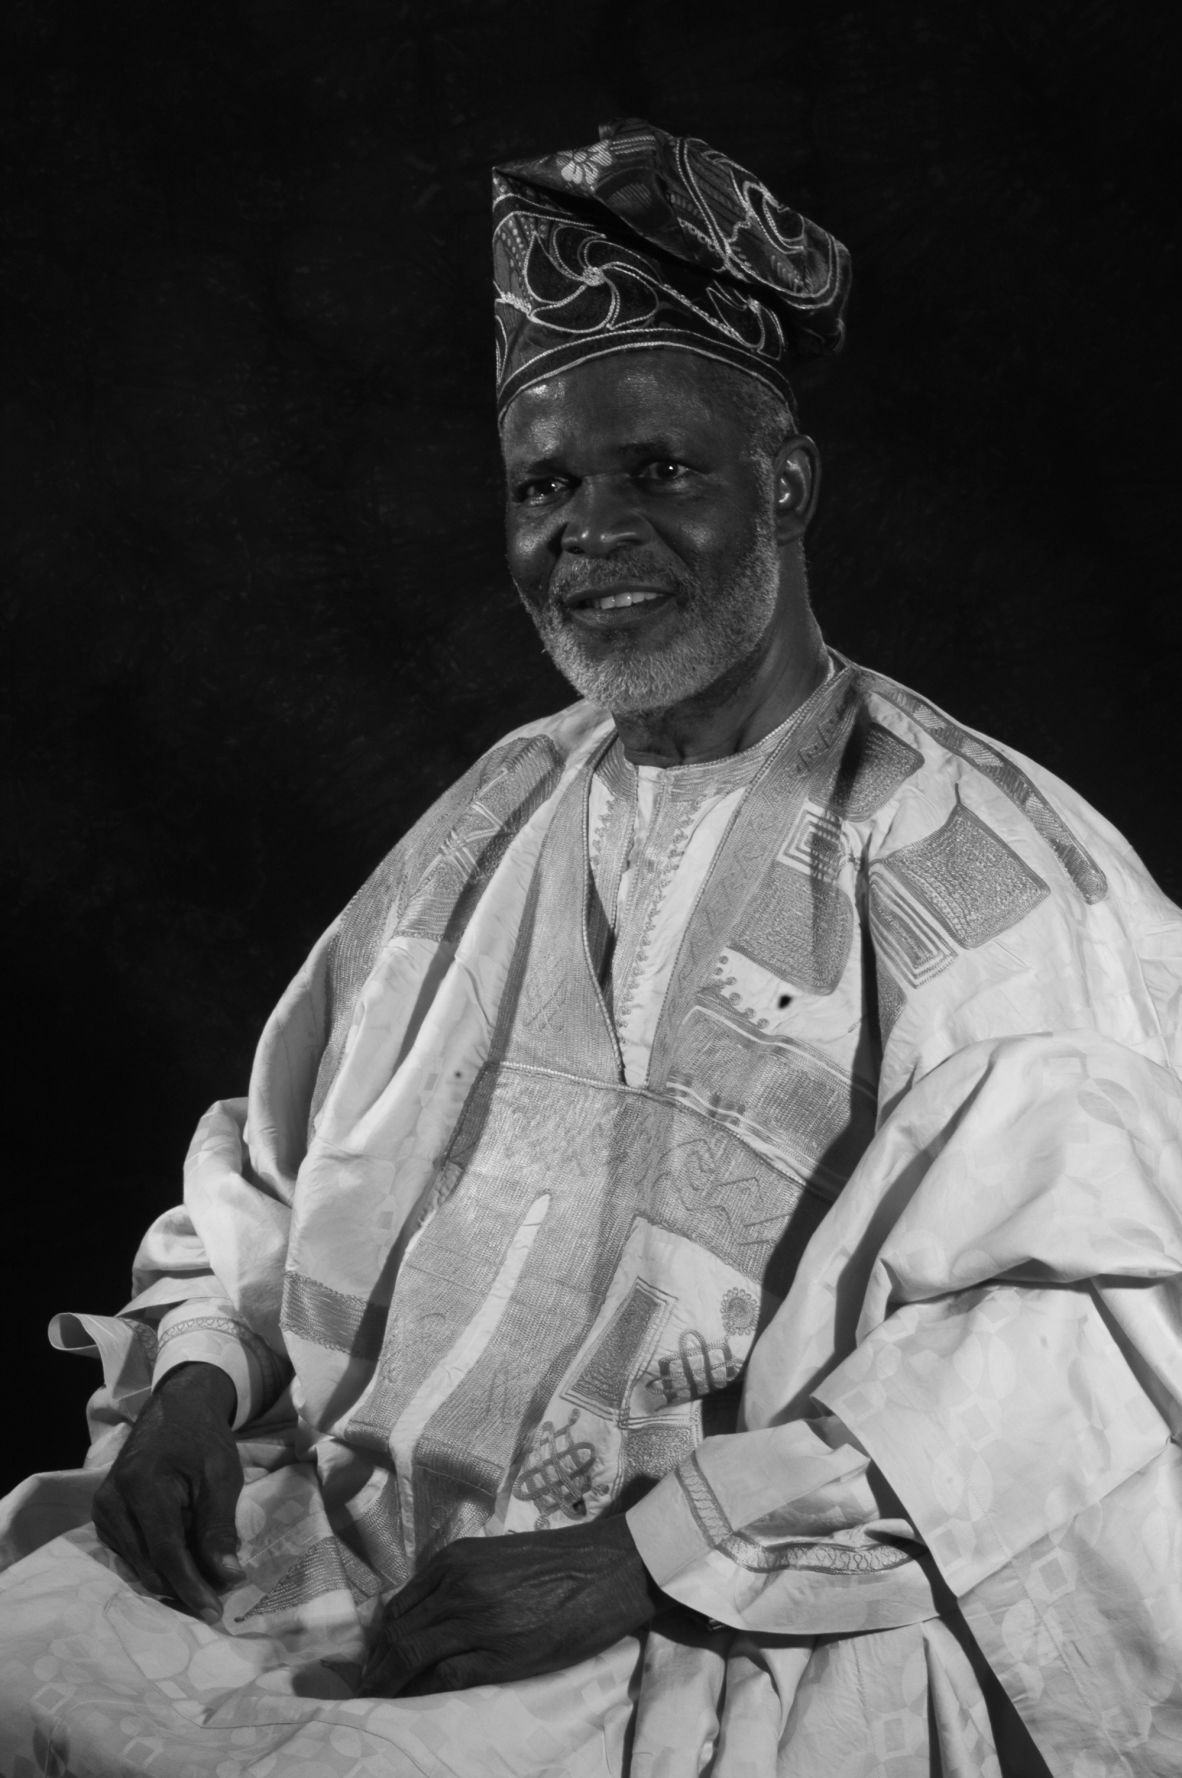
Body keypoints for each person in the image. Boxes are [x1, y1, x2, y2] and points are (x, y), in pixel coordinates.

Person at [1, 118, 1180, 1778]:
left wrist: (638, 1556)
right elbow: (273, 1161)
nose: (591, 529)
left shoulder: (983, 866)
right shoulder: (500, 803)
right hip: (338, 1539)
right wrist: (195, 1377)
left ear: (788, 480)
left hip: (718, 1608)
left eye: (661, 471)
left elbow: (1074, 1332)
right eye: (545, 484)